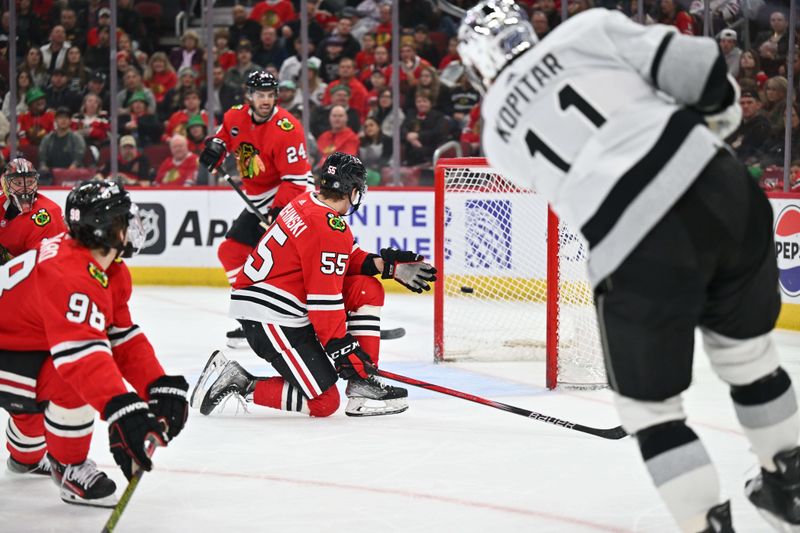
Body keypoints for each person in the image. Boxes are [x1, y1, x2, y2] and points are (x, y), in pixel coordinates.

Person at [458, 1, 799, 531]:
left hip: (633, 241)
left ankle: (706, 524)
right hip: (723, 190)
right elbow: (702, 68)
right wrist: (719, 112)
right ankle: (791, 490)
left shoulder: (495, 137)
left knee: (652, 412)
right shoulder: (585, 30)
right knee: (748, 356)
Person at [192, 152, 436, 418]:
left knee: (366, 288)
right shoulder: (328, 228)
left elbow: (346, 258)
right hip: (271, 319)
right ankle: (239, 381)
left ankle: (361, 385)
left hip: (278, 303)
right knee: (325, 403)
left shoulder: (307, 202)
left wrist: (385, 265)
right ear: (353, 191)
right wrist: (343, 349)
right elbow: (324, 301)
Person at [0, 179, 189, 506]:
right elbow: (81, 357)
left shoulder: (110, 268)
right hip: (9, 350)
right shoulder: (69, 274)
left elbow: (120, 336)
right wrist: (123, 409)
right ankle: (70, 468)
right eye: (123, 218)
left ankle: (26, 448)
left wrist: (156, 384)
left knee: (35, 430)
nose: (132, 224)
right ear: (103, 229)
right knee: (70, 378)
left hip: (24, 343)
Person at [199, 70, 312, 345]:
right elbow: (223, 136)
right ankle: (251, 317)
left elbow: (296, 180)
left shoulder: (287, 128)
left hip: (293, 199)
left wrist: (278, 210)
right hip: (258, 198)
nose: (265, 100)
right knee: (232, 252)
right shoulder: (234, 116)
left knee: (294, 262)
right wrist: (216, 149)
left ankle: (312, 313)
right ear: (249, 96)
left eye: (270, 95)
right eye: (260, 94)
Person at [39, 107, 87, 174]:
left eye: (66, 118)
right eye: (60, 117)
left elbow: (78, 159)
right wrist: (44, 167)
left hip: (72, 173)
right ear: (55, 120)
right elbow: (43, 159)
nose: (63, 120)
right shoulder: (47, 138)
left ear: (70, 121)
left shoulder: (77, 138)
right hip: (51, 175)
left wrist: (70, 170)